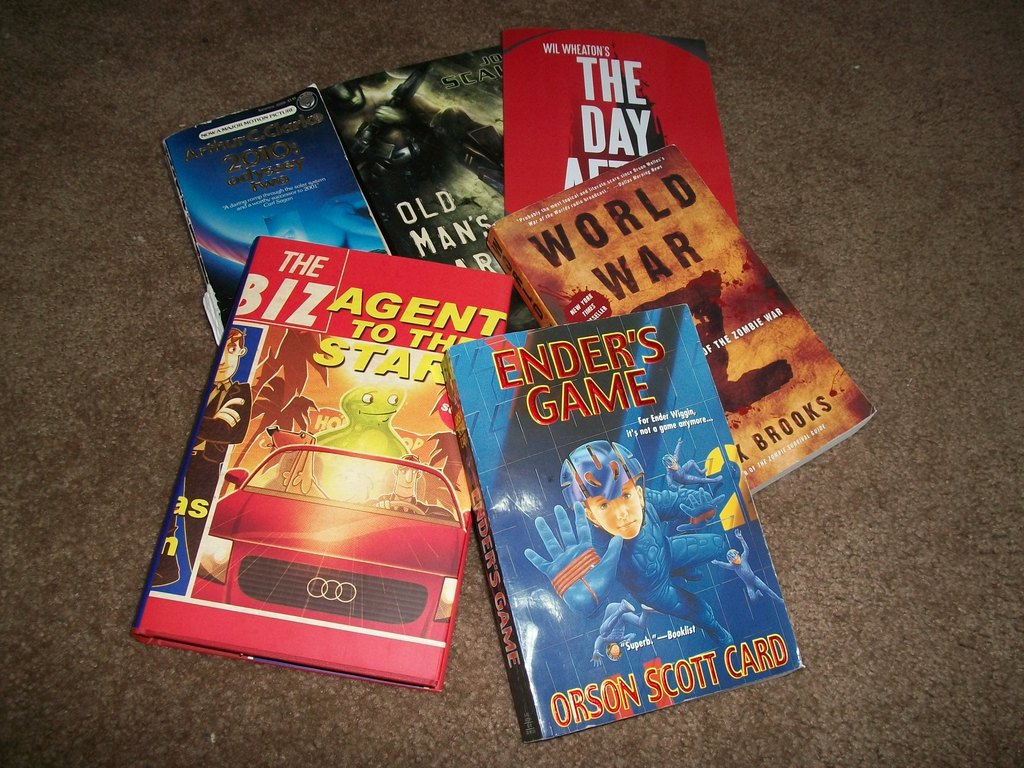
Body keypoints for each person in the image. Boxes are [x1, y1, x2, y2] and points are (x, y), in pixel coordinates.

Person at [525, 440, 733, 646]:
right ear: (591, 515)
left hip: (668, 552)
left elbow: (673, 501)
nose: (622, 512)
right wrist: (585, 596)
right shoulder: (596, 546)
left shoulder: (646, 500)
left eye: (625, 495)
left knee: (718, 544)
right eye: (604, 505)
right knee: (700, 611)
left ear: (639, 494)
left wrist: (697, 503)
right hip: (653, 590)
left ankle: (681, 570)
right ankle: (714, 629)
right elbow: (597, 600)